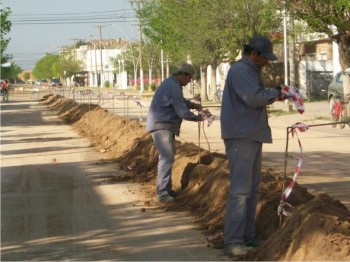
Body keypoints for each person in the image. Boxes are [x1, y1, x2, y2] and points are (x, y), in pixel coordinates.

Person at [220, 35, 283, 256]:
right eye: (265, 58)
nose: (267, 62)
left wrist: (274, 93)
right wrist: (276, 93)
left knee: (252, 190)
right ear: (253, 54)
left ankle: (247, 235)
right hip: (241, 135)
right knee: (240, 191)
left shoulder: (251, 70)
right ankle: (233, 241)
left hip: (251, 134)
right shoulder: (240, 70)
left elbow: (258, 97)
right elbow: (253, 98)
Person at [146, 63, 203, 203]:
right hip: (162, 125)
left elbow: (180, 101)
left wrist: (193, 105)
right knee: (166, 158)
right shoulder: (174, 87)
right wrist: (197, 117)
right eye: (189, 78)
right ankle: (162, 192)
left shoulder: (172, 84)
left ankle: (167, 189)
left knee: (166, 158)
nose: (190, 81)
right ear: (183, 75)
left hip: (163, 124)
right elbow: (182, 111)